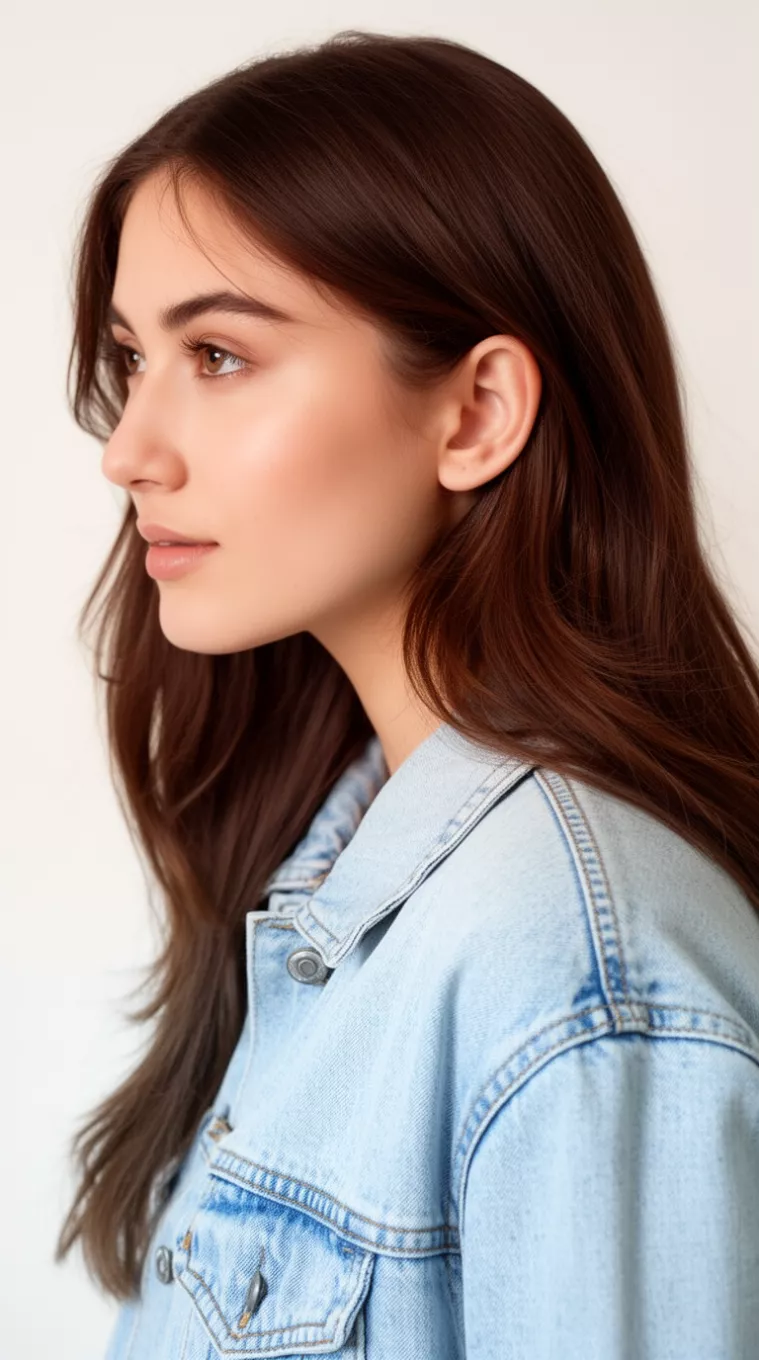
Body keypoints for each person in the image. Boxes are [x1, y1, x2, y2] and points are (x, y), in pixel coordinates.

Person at [55, 29, 759, 1359]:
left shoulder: (572, 969)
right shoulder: (349, 862)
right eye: (131, 362)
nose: (130, 451)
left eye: (216, 357)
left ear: (476, 413)